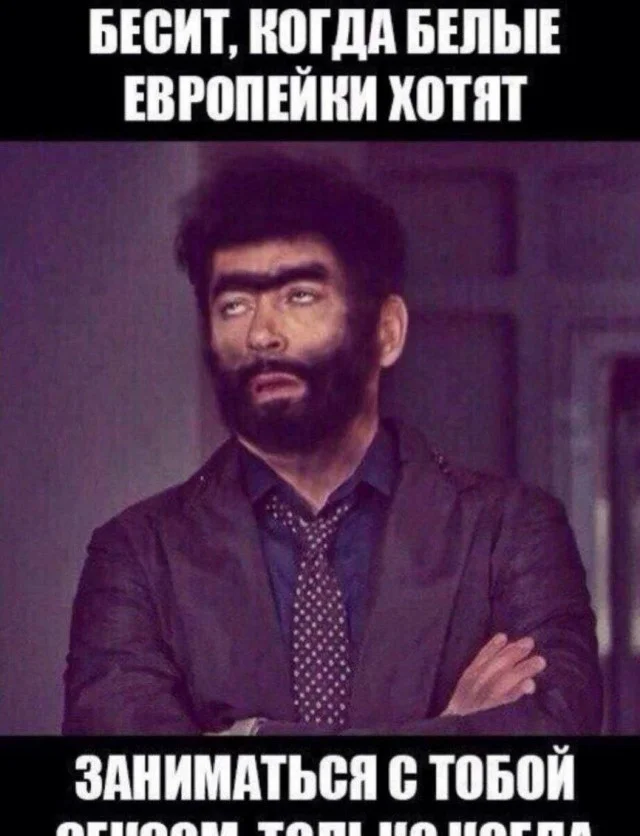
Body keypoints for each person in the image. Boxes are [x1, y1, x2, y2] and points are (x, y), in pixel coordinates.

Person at [63, 152, 602, 735]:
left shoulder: (512, 531)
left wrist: (247, 738)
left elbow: (553, 735)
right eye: (234, 305)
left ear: (386, 331)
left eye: (299, 296)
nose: (261, 334)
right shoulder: (136, 554)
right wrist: (448, 732)